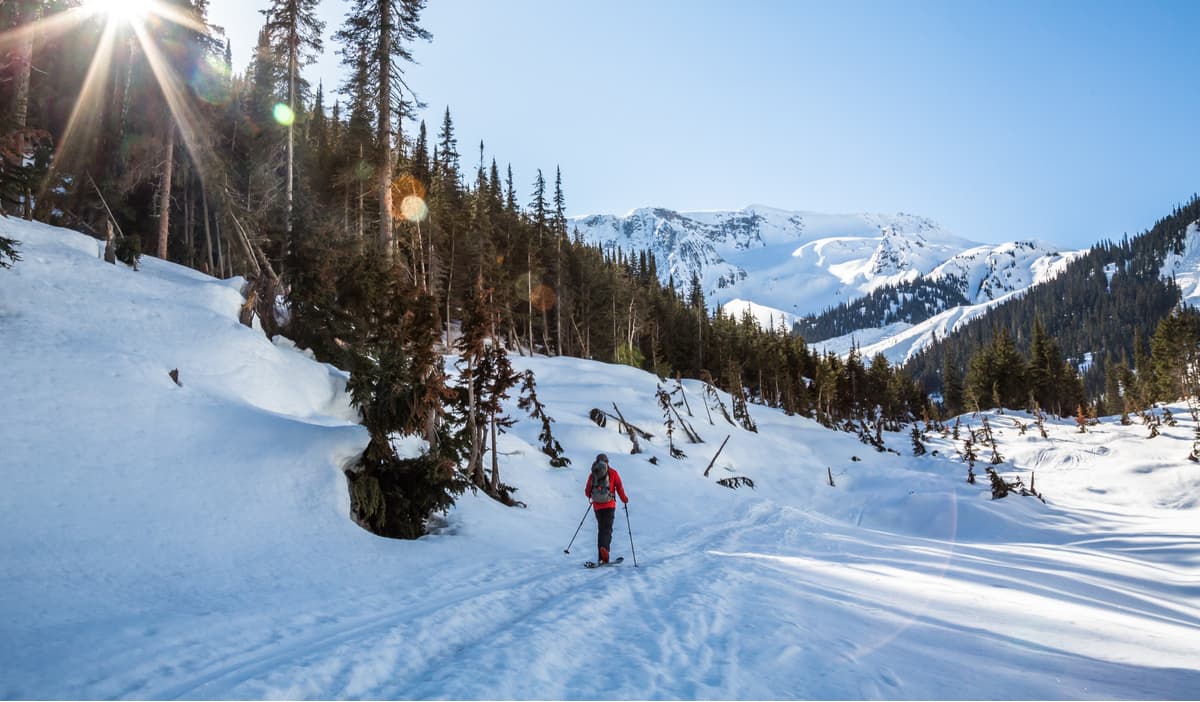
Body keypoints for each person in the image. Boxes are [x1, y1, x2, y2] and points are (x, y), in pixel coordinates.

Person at [585, 453, 628, 564]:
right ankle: (605, 551)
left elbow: (587, 492)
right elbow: (619, 487)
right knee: (607, 529)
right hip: (609, 505)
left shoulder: (593, 474)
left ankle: (601, 557)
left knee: (601, 530)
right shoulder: (613, 473)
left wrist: (594, 495)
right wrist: (624, 499)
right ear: (607, 462)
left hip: (597, 506)